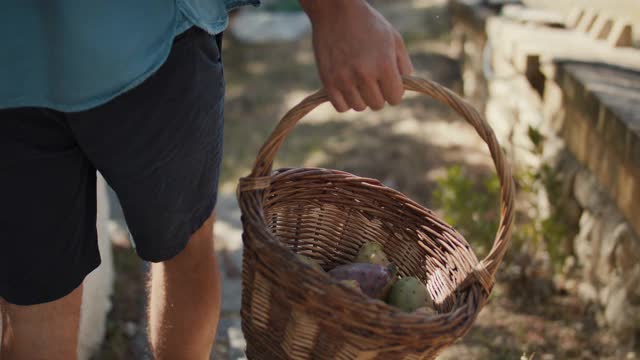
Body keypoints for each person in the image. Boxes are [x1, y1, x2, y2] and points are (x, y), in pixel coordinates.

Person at [0, 0, 413, 359]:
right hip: (138, 43)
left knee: (41, 300)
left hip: (48, 58)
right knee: (173, 254)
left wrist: (336, 9)